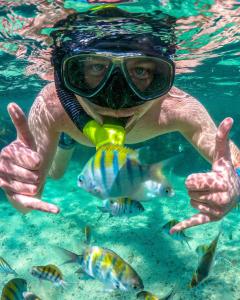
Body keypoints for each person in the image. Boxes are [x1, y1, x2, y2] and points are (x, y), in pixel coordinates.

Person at [0, 7, 239, 234]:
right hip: (68, 129)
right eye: (95, 67)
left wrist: (235, 185)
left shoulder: (177, 107)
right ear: (67, 75)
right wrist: (15, 186)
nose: (116, 100)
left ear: (161, 77)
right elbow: (26, 203)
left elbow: (232, 163)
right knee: (55, 174)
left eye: (141, 71)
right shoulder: (53, 107)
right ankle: (66, 141)